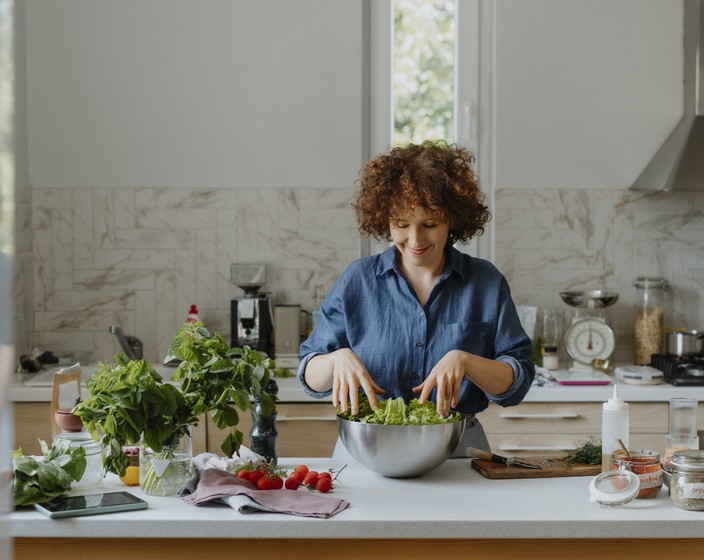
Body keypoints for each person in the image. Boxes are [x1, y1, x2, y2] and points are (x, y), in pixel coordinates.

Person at [297, 140, 535, 456]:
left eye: (430, 224)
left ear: (453, 219)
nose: (415, 239)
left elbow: (516, 381)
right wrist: (335, 359)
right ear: (385, 220)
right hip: (369, 447)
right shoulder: (358, 280)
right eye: (401, 224)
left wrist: (466, 360)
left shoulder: (485, 282)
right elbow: (310, 377)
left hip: (457, 449)